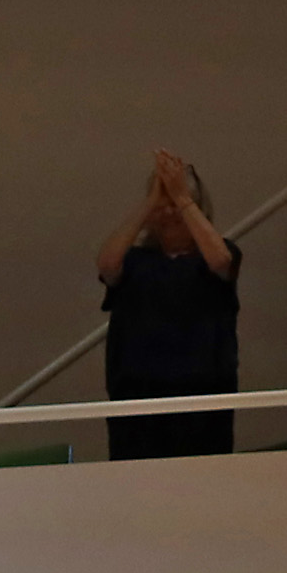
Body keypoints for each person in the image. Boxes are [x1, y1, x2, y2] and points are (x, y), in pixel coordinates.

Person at [94, 151, 240, 459]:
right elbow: (107, 264)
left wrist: (182, 197)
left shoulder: (219, 253)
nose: (170, 212)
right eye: (164, 204)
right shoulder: (134, 261)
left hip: (203, 401)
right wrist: (151, 201)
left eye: (178, 204)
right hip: (137, 399)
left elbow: (220, 260)